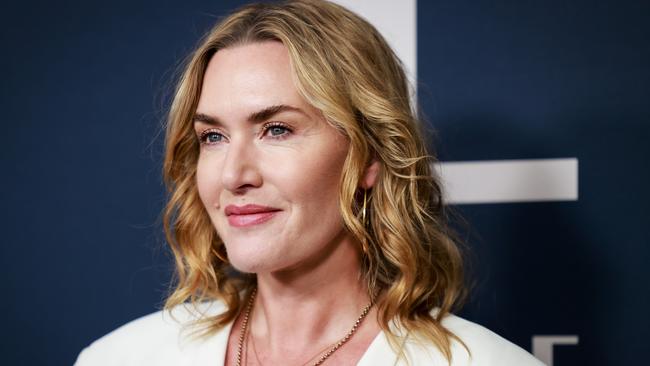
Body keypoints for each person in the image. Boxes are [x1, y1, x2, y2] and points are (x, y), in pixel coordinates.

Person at [75, 1, 545, 365]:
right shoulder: (120, 357)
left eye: (276, 129)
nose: (234, 176)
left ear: (369, 156)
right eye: (213, 136)